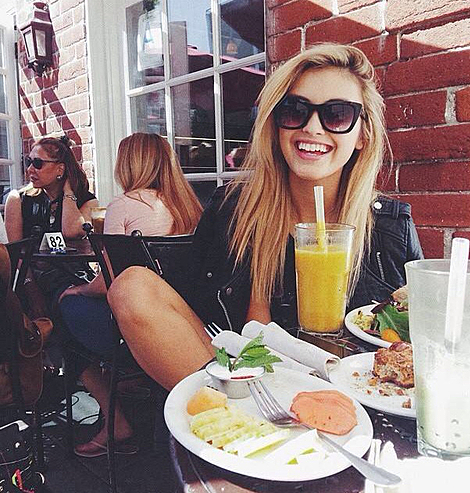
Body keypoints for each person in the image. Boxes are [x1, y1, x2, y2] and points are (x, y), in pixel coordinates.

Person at [107, 43, 423, 392]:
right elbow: (190, 315)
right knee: (131, 286)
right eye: (294, 110)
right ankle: (224, 415)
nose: (312, 127)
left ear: (363, 134)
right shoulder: (232, 209)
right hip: (240, 393)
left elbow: (415, 340)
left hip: (353, 400)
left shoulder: (391, 227)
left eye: (337, 114)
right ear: (276, 124)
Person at [58, 132, 202, 457]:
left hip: (133, 328)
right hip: (183, 323)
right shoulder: (188, 205)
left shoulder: (123, 205)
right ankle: (133, 380)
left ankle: (115, 420)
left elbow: (110, 284)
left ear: (129, 164)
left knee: (63, 311)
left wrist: (78, 289)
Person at [4, 136, 98, 313]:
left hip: (74, 278)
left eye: (38, 163)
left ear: (60, 169)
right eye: (29, 162)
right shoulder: (18, 200)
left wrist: (68, 193)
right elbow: (17, 255)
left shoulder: (86, 201)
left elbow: (71, 231)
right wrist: (32, 292)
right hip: (32, 279)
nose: (30, 169)